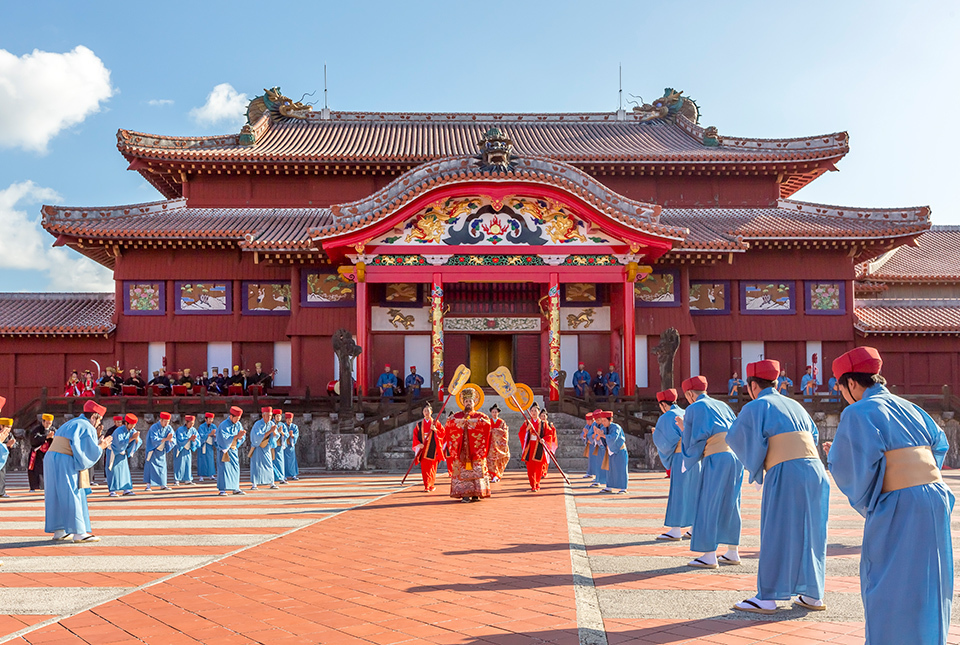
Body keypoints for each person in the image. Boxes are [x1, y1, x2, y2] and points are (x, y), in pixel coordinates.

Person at [825, 347, 953, 645]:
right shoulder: (909, 406)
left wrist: (839, 460)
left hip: (900, 501)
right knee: (930, 577)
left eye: (840, 387)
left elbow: (850, 466)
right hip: (935, 497)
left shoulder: (857, 412)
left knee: (888, 579)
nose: (842, 394)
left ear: (851, 384)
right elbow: (939, 444)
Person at [726, 359, 830, 615]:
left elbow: (737, 437)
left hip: (786, 469)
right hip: (815, 469)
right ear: (775, 382)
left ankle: (769, 596)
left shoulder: (757, 405)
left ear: (752, 386)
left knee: (777, 530)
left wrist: (759, 466)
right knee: (812, 531)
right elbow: (813, 436)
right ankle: (812, 594)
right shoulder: (795, 404)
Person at [677, 375, 743, 569]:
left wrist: (682, 427)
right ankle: (732, 551)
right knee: (732, 502)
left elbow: (692, 441)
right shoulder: (723, 405)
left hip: (716, 456)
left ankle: (709, 554)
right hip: (735, 456)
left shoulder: (695, 408)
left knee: (708, 501)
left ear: (690, 394)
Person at [44, 400, 111, 542]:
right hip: (65, 459)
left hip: (51, 457)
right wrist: (101, 446)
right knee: (72, 492)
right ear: (94, 417)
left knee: (55, 494)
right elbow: (86, 454)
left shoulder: (71, 423)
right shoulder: (87, 426)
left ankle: (59, 530)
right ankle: (79, 533)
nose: (98, 423)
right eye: (99, 420)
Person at [653, 389, 699, 541]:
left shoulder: (667, 416)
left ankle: (675, 529)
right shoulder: (687, 411)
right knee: (694, 491)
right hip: (695, 456)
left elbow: (663, 441)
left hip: (680, 456)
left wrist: (656, 435)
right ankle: (694, 527)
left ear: (662, 404)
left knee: (678, 491)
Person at [444, 388, 492, 502]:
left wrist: (472, 424)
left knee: (476, 470)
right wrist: (459, 424)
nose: (468, 403)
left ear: (474, 402)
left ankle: (476, 493)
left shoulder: (480, 416)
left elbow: (487, 424)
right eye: (466, 401)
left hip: (475, 450)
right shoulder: (457, 416)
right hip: (462, 449)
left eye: (470, 401)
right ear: (463, 403)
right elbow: (449, 424)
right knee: (463, 471)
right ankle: (464, 493)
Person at [519, 403, 557, 493]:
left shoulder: (543, 423)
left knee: (538, 467)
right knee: (530, 467)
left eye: (535, 411)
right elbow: (521, 433)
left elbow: (549, 434)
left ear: (539, 412)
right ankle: (533, 484)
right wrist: (527, 429)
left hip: (539, 446)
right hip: (530, 447)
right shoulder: (527, 422)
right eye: (532, 411)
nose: (533, 412)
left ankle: (537, 483)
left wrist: (544, 440)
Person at [105, 413, 142, 497]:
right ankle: (112, 491)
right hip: (114, 452)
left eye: (134, 425)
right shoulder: (119, 431)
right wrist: (132, 438)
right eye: (131, 424)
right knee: (113, 471)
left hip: (122, 453)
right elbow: (119, 444)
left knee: (124, 471)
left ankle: (126, 489)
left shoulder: (132, 430)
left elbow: (139, 441)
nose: (133, 426)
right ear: (126, 423)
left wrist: (136, 439)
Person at [413, 404, 445, 492]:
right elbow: (415, 436)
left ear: (431, 412)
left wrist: (435, 430)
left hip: (433, 448)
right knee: (424, 468)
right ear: (423, 413)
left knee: (432, 467)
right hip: (423, 448)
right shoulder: (419, 424)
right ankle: (426, 485)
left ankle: (431, 484)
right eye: (425, 411)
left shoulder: (435, 423)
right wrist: (418, 444)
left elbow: (443, 433)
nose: (426, 412)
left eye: (428, 411)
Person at [217, 406, 247, 496]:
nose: (237, 420)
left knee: (235, 468)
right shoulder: (224, 425)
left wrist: (241, 437)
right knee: (224, 468)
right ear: (231, 416)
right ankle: (222, 489)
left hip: (233, 449)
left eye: (239, 418)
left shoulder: (238, 424)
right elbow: (224, 438)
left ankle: (235, 488)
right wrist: (236, 436)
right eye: (236, 418)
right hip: (225, 450)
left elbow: (241, 437)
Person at [597, 410, 628, 494]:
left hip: (619, 450)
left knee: (621, 469)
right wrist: (599, 435)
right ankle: (609, 486)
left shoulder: (616, 427)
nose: (603, 422)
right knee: (610, 469)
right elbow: (602, 439)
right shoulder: (603, 428)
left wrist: (602, 435)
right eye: (602, 420)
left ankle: (623, 488)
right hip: (610, 450)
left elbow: (613, 437)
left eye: (604, 420)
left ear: (610, 420)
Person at [143, 412, 175, 491]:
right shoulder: (154, 427)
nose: (166, 423)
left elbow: (173, 438)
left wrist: (170, 440)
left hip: (161, 451)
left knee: (162, 468)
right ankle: (148, 485)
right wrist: (166, 439)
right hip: (153, 450)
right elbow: (154, 440)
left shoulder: (169, 428)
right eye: (165, 421)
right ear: (160, 420)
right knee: (150, 467)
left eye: (168, 422)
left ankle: (163, 484)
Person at [249, 406, 278, 490]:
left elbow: (275, 435)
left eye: (270, 415)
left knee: (269, 464)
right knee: (256, 465)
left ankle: (271, 482)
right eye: (268, 415)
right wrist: (270, 431)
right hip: (258, 447)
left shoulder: (272, 424)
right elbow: (256, 437)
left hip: (266, 447)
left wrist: (275, 434)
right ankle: (254, 484)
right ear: (263, 415)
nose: (269, 417)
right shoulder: (257, 424)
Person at [28, 414, 56, 491]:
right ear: (43, 422)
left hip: (48, 453)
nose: (48, 425)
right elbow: (34, 440)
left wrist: (53, 438)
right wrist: (46, 437)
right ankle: (35, 487)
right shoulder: (36, 430)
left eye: (50, 423)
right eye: (47, 423)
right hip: (38, 453)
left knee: (48, 470)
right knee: (36, 470)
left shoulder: (53, 430)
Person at [486, 404, 510, 483]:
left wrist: (496, 432)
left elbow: (505, 432)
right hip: (490, 444)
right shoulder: (488, 421)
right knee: (491, 460)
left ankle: (497, 474)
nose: (494, 413)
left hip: (499, 446)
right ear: (491, 413)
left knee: (498, 460)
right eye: (493, 412)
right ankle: (493, 475)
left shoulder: (502, 422)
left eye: (496, 412)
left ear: (498, 413)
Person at [173, 415, 199, 485]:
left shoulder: (193, 430)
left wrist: (194, 440)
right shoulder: (180, 429)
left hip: (188, 449)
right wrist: (189, 439)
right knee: (179, 465)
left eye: (193, 423)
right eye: (190, 423)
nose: (191, 425)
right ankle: (177, 479)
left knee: (188, 464)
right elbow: (179, 439)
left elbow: (198, 439)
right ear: (186, 422)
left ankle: (188, 479)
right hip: (181, 449)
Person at [196, 412, 218, 481]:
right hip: (203, 445)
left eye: (212, 419)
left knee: (210, 460)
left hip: (209, 445)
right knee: (202, 460)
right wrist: (209, 434)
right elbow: (200, 436)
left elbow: (217, 435)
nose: (211, 421)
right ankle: (201, 476)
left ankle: (211, 475)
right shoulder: (201, 427)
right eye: (209, 419)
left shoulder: (214, 426)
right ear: (205, 419)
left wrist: (214, 436)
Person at [271, 408, 288, 485]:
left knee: (281, 462)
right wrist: (277, 433)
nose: (278, 418)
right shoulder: (271, 424)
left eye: (280, 416)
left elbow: (287, 434)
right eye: (277, 416)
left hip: (280, 445)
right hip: (272, 446)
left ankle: (281, 477)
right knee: (272, 462)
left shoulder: (282, 425)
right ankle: (273, 478)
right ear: (274, 416)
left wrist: (282, 433)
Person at [0, 418, 15, 498]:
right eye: (7, 427)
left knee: (2, 475)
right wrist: (6, 445)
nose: (9, 429)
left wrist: (12, 445)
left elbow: (14, 443)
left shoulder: (9, 434)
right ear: (1, 426)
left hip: (3, 457)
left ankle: (1, 492)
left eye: (10, 427)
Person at [283, 412, 300, 481]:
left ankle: (293, 474)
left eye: (290, 419)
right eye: (287, 419)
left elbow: (296, 435)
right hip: (284, 446)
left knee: (292, 461)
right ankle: (284, 475)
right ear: (285, 419)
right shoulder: (283, 426)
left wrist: (292, 436)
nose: (289, 421)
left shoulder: (294, 427)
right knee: (284, 461)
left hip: (291, 446)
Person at [581, 412, 596, 479]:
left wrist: (588, 434)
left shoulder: (595, 425)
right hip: (590, 445)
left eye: (589, 420)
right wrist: (584, 435)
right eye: (587, 420)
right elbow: (582, 435)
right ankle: (590, 472)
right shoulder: (587, 426)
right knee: (590, 459)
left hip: (595, 444)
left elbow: (594, 435)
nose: (588, 422)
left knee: (596, 460)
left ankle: (596, 474)